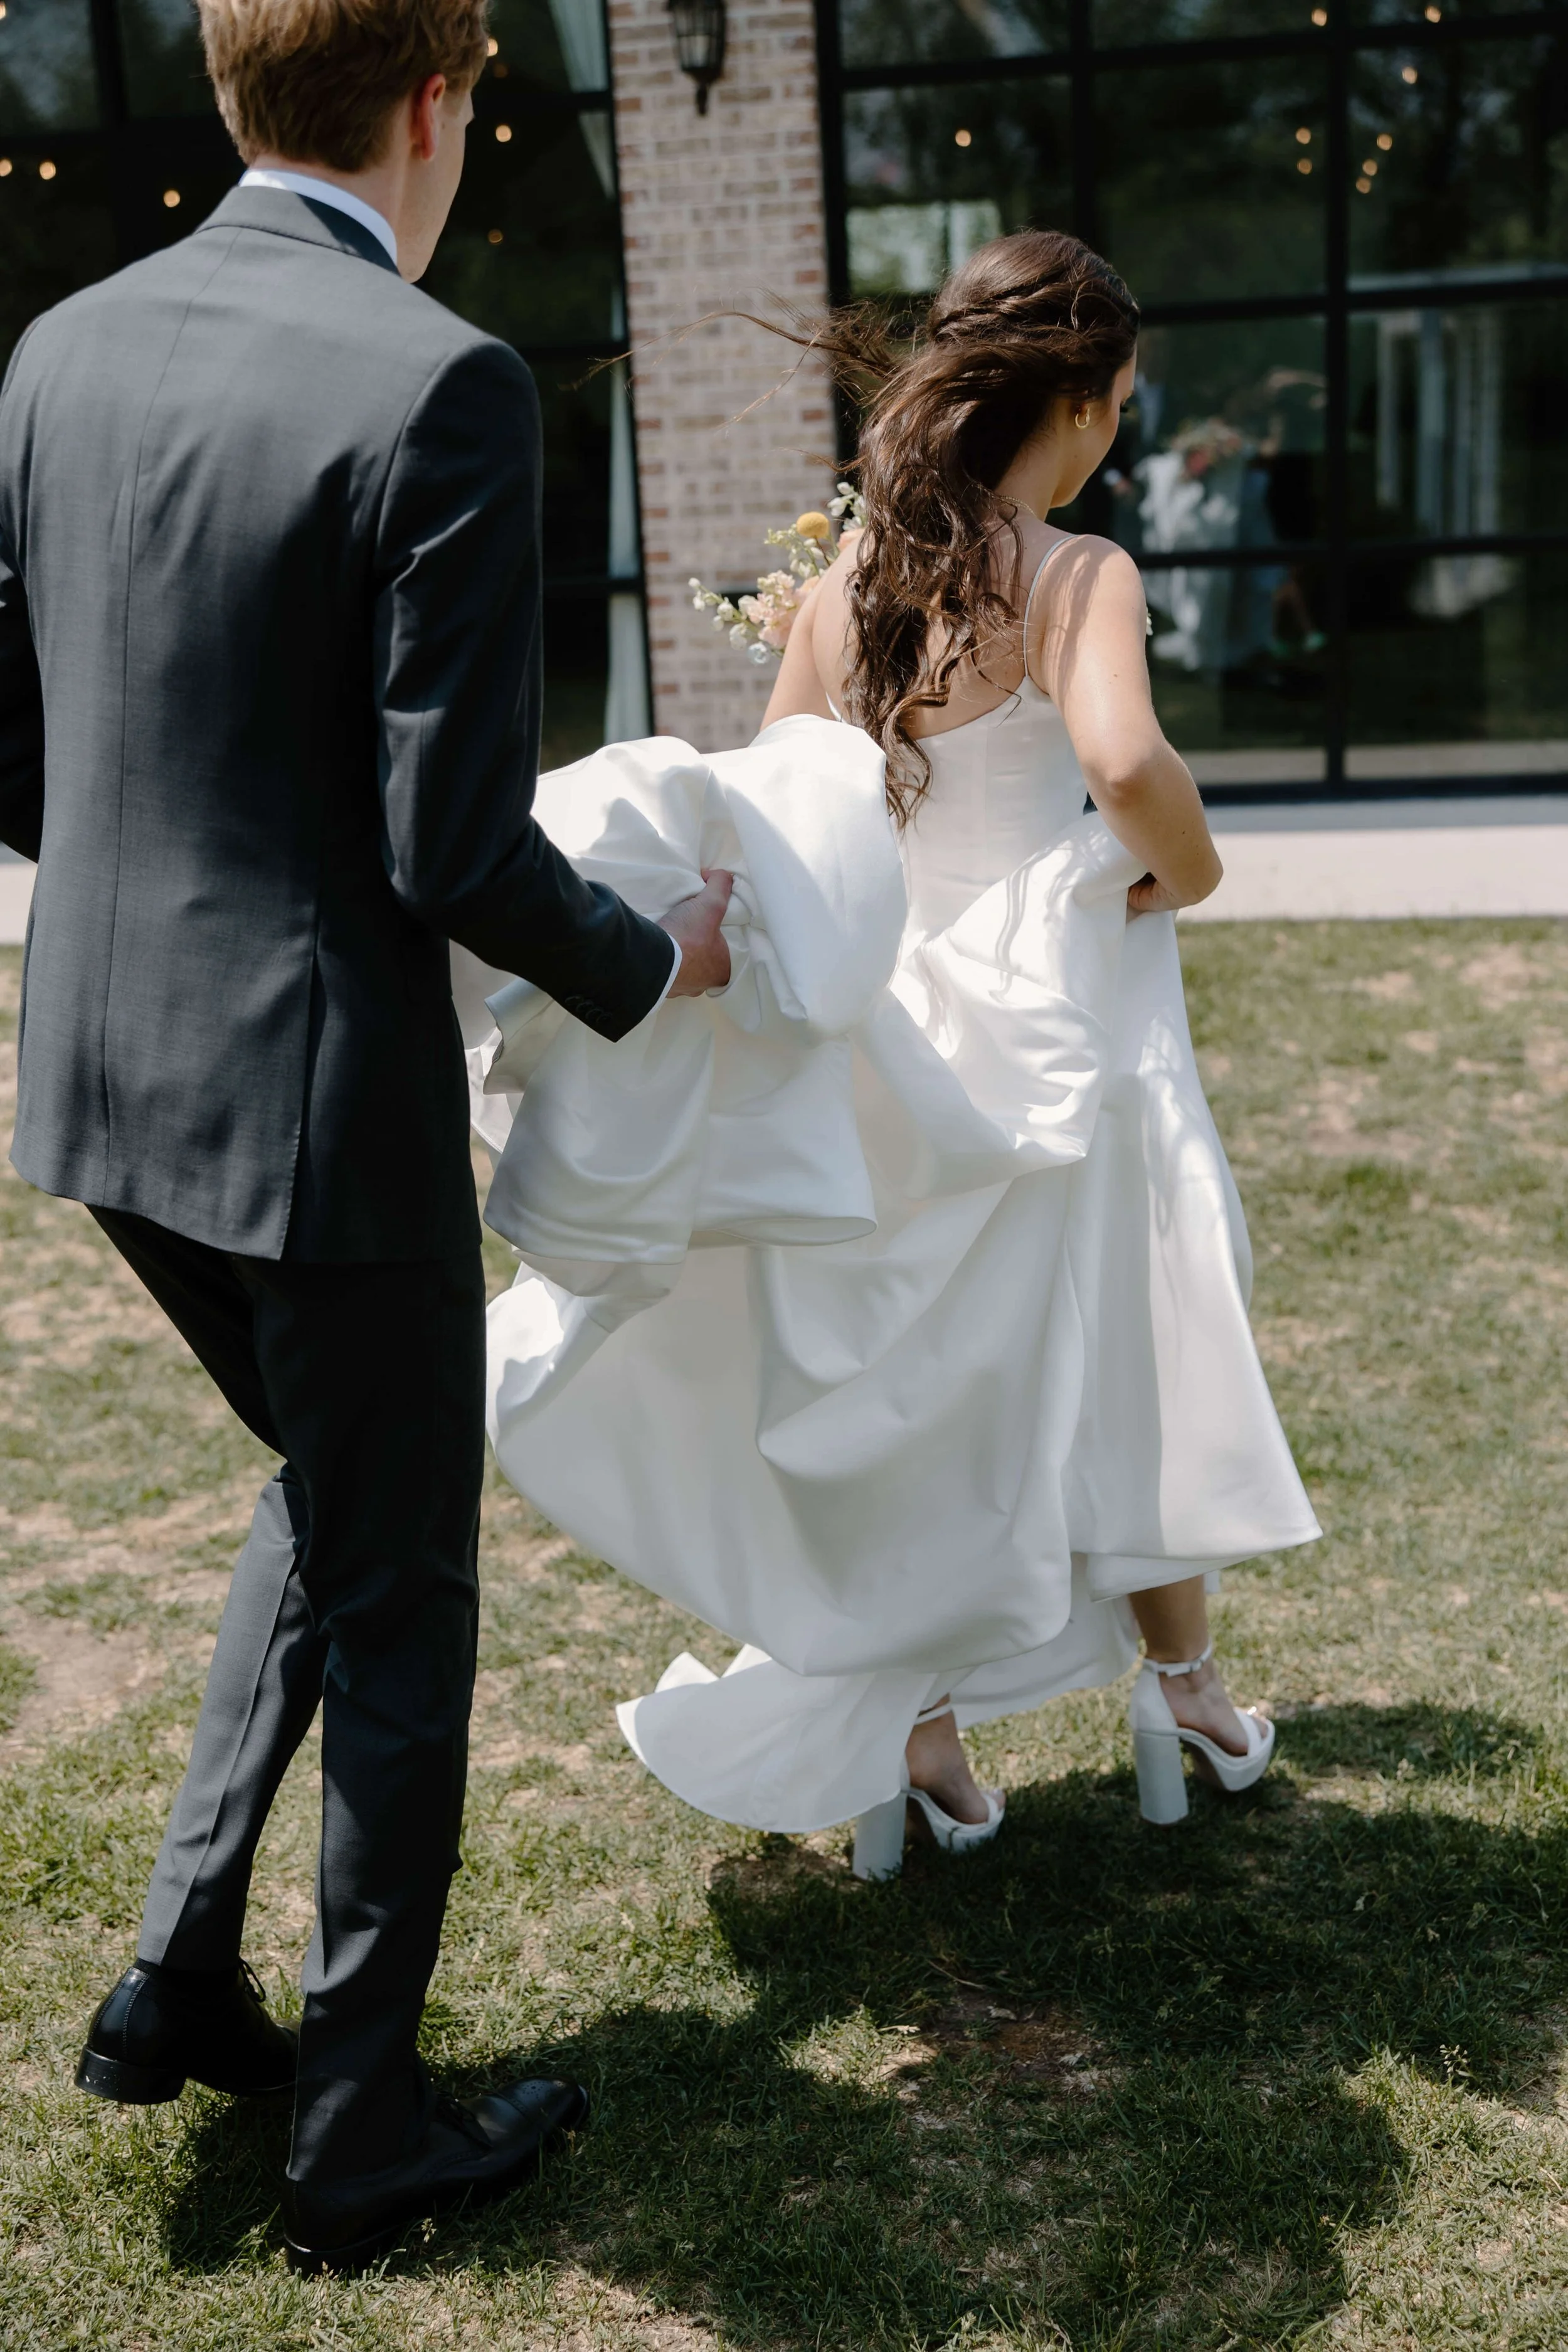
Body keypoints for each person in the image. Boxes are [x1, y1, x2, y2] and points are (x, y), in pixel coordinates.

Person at [0, 0, 730, 2277]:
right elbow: (448, 841)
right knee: (409, 1600)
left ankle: (179, 1981)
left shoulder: (56, 348)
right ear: (434, 107)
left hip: (104, 1083)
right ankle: (358, 2133)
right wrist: (654, 954)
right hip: (321, 1116)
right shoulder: (445, 382)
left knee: (337, 1491)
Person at [475, 230, 1320, 1873]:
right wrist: (1194, 870)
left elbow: (787, 804)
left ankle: (911, 1727)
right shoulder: (1074, 574)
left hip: (896, 1038)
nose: (1120, 438)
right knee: (1127, 1346)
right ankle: (1185, 1693)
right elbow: (1125, 757)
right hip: (1065, 1016)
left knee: (932, 1383)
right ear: (1069, 400)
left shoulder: (853, 584)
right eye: (1117, 405)